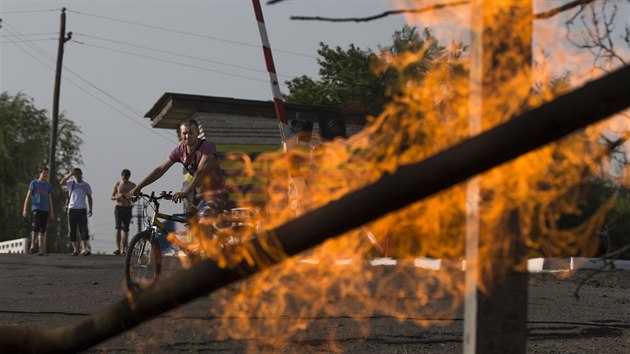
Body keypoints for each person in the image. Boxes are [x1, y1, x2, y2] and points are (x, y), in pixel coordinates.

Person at [127, 119, 228, 213]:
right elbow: (160, 169)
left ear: (197, 133)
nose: (187, 136)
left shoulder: (207, 146)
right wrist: (138, 187)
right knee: (189, 225)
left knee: (205, 220)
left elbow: (200, 171)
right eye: (184, 133)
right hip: (197, 195)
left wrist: (186, 191)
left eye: (191, 133)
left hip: (216, 194)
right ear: (181, 134)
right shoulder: (179, 151)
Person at [22, 166, 54, 256]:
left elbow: (50, 199)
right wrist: (25, 209)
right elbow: (28, 196)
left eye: (46, 174)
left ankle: (41, 250)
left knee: (42, 229)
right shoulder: (34, 183)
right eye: (44, 173)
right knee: (36, 227)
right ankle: (32, 246)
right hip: (36, 208)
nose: (45, 175)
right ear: (40, 173)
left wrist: (52, 212)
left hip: (45, 209)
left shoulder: (48, 186)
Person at [60, 168, 93, 256]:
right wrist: (69, 174)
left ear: (81, 174)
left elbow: (89, 197)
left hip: (82, 209)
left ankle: (84, 248)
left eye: (79, 174)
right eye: (76, 174)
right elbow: (61, 182)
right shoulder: (71, 183)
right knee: (72, 230)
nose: (77, 176)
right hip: (72, 208)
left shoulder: (86, 185)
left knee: (83, 229)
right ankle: (75, 249)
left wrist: (90, 209)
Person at [110, 169, 136, 255]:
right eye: (124, 177)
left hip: (128, 208)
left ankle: (123, 249)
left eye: (127, 177)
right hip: (119, 207)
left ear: (129, 177)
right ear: (122, 176)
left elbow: (136, 198)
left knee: (126, 229)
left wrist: (131, 197)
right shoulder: (118, 184)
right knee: (118, 228)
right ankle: (118, 248)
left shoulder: (132, 185)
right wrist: (118, 196)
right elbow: (112, 196)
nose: (125, 179)